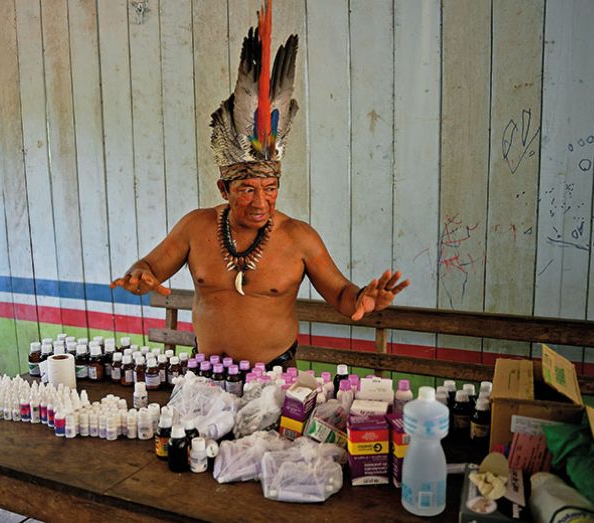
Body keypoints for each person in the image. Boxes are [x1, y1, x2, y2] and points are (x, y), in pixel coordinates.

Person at [111, 1, 408, 368]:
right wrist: (139, 274)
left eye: (270, 189)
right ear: (223, 189)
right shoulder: (195, 227)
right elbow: (150, 268)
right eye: (247, 189)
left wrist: (363, 299)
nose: (260, 202)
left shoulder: (299, 238)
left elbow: (342, 295)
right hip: (205, 375)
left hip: (274, 378)